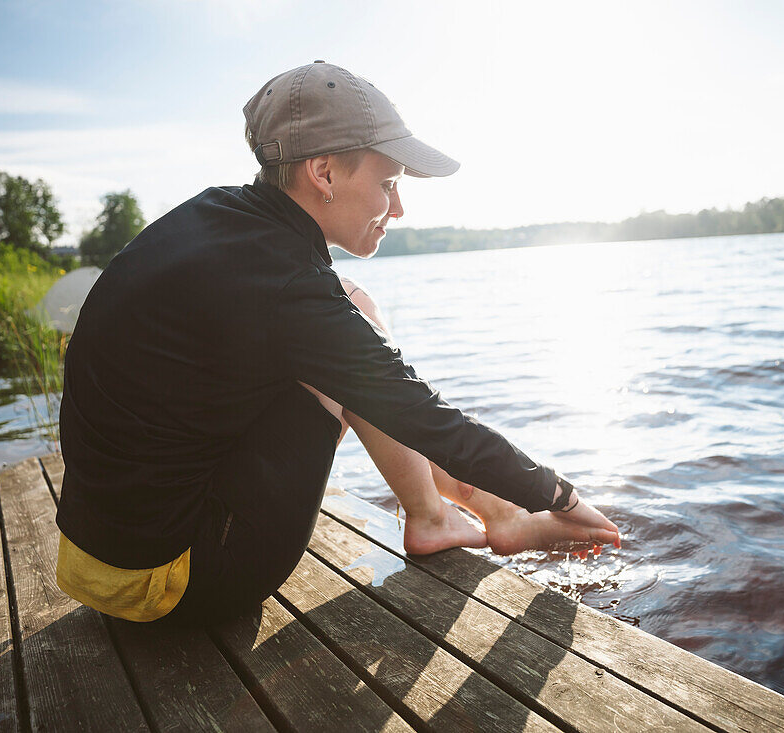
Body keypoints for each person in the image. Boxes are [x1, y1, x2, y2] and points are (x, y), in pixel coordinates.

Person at [55, 61, 620, 626]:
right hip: (175, 583)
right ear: (323, 172)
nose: (397, 209)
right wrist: (559, 495)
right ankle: (441, 516)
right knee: (356, 337)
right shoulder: (287, 283)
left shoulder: (220, 219)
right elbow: (422, 414)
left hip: (95, 560)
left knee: (353, 323)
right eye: (388, 184)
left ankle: (460, 509)